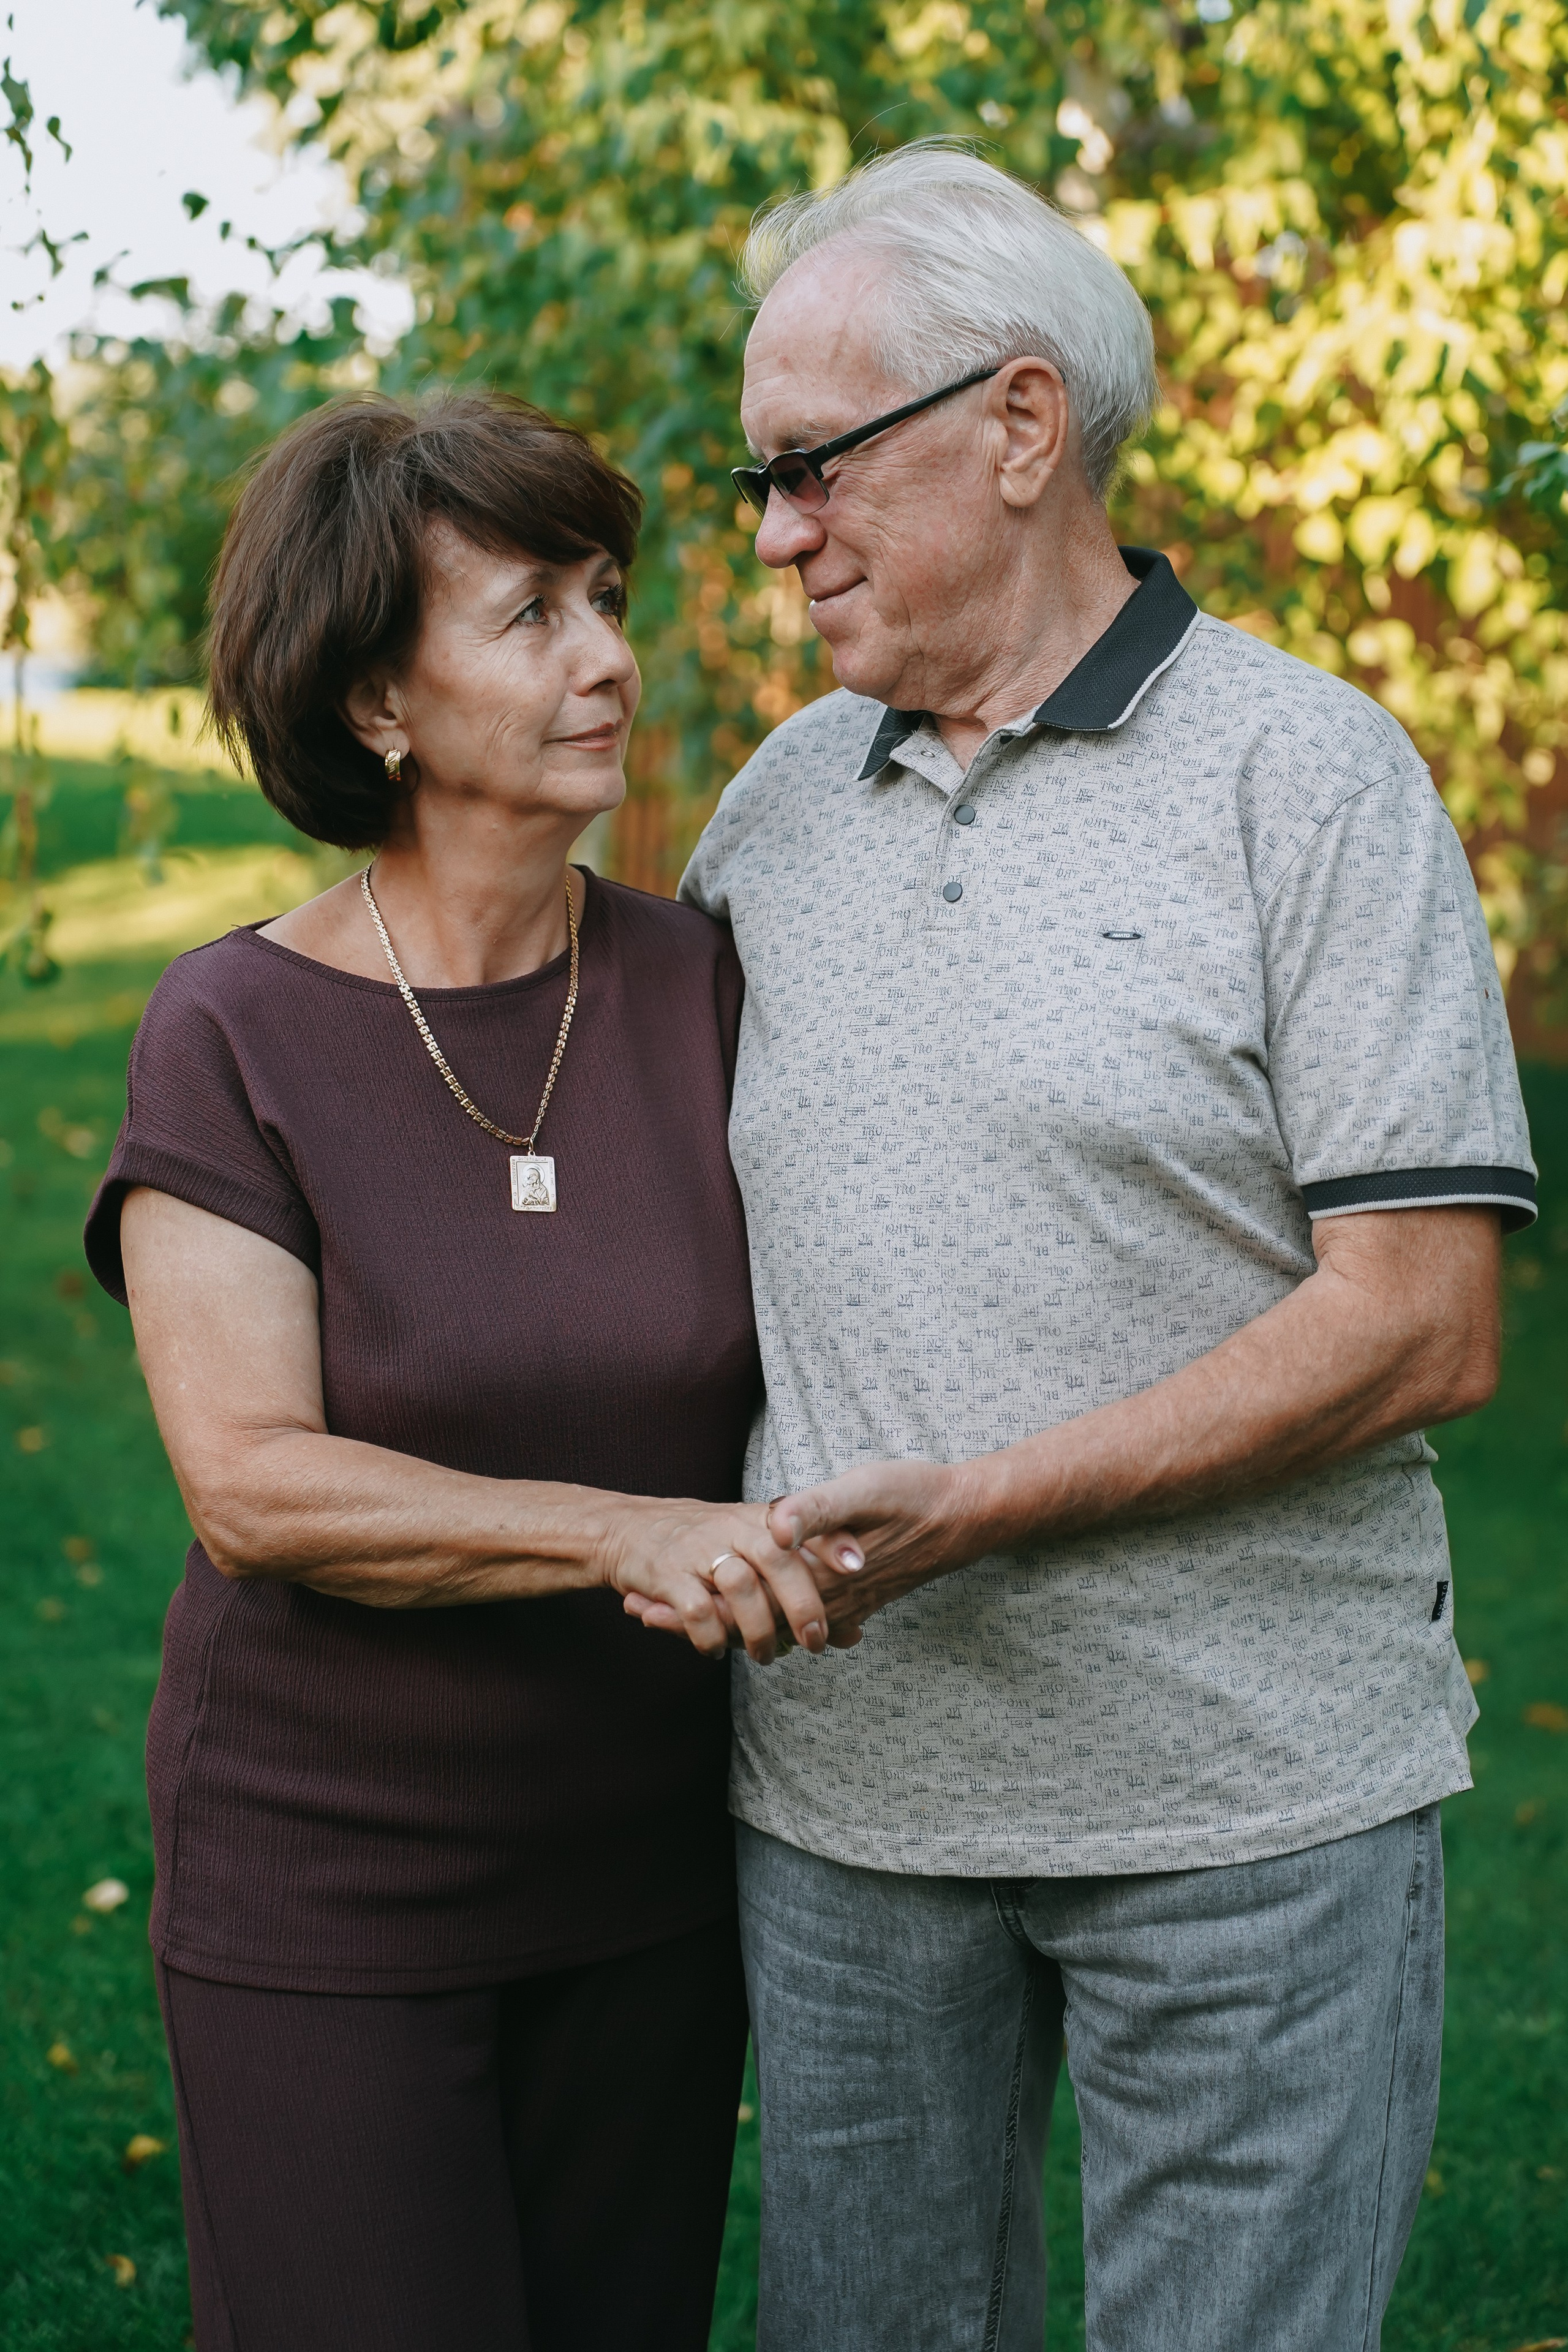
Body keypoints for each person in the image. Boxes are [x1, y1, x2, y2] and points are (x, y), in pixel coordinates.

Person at [663, 143, 1538, 2351]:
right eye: (758, 486)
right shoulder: (769, 815)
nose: (774, 535)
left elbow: (1425, 1324)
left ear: (1022, 424)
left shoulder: (1309, 780)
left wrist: (982, 1504)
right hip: (853, 1812)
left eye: (809, 471)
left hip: (1254, 1809)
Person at [82, 390, 839, 2352]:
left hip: (652, 1883)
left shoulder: (705, 983)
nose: (608, 657)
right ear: (377, 706)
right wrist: (628, 1532)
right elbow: (251, 1481)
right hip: (330, 1890)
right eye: (530, 616)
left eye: (606, 597)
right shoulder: (234, 1030)